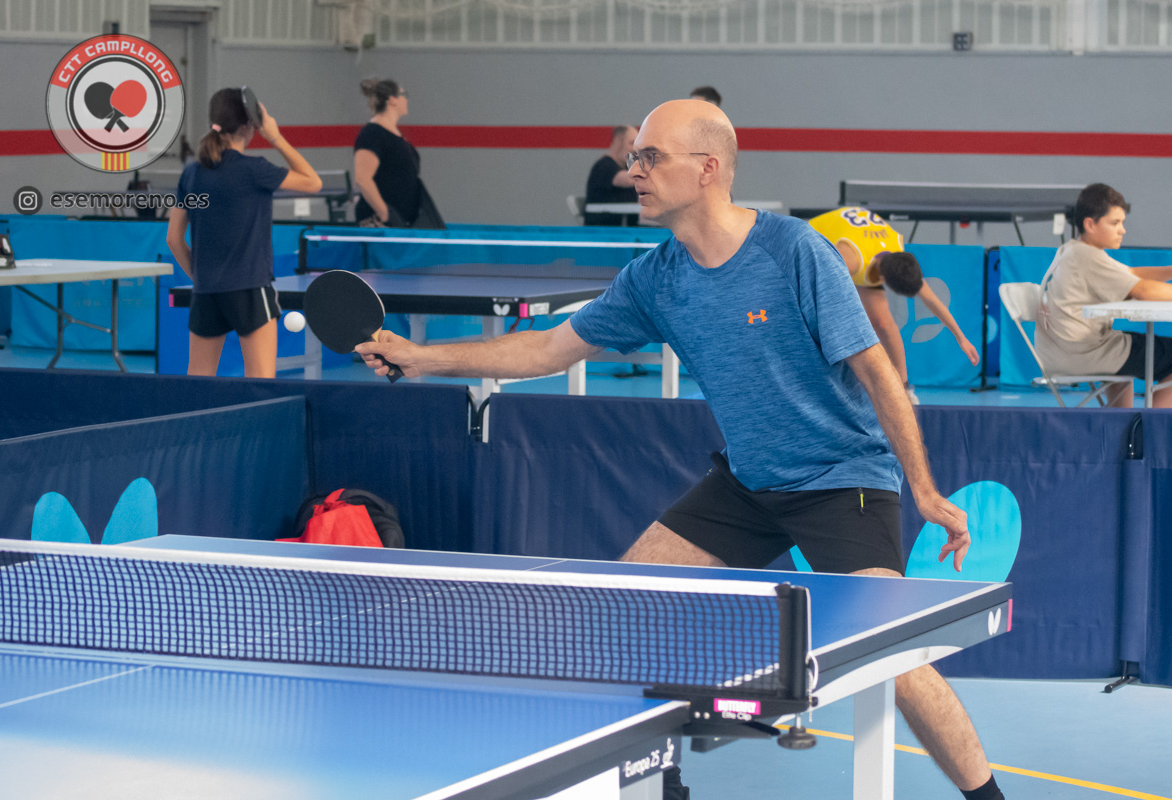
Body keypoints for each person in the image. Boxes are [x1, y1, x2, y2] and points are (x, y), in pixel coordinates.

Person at [355, 99, 1005, 800]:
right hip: (749, 483)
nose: (633, 170)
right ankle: (663, 783)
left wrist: (923, 488)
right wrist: (424, 357)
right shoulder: (655, 278)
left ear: (707, 168)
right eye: (635, 156)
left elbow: (876, 370)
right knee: (630, 605)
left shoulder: (794, 251)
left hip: (840, 478)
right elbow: (546, 348)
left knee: (895, 656)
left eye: (650, 156)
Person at [167, 88, 321, 379]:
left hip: (206, 291)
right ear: (248, 126)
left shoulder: (192, 173)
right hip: (250, 289)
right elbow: (313, 182)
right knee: (260, 381)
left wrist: (200, 279)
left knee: (198, 381)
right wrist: (275, 136)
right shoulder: (255, 169)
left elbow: (173, 239)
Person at [1035, 183, 1172, 408]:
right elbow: (1143, 291)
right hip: (1085, 353)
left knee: (1125, 346)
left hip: (1060, 352)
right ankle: (1149, 424)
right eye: (1115, 223)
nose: (1122, 230)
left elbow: (1130, 274)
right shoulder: (1087, 257)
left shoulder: (1073, 250)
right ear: (1090, 224)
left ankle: (1122, 423)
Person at [810, 206, 980, 402]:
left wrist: (961, 338)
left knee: (884, 323)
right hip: (816, 237)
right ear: (883, 279)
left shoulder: (898, 256)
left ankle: (904, 388)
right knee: (832, 317)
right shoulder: (850, 259)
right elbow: (813, 284)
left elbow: (932, 300)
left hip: (866, 247)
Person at [354, 78, 432, 228]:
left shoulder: (396, 135)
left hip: (403, 221)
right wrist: (385, 214)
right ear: (392, 100)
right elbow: (363, 178)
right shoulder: (372, 133)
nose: (406, 100)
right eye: (404, 95)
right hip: (381, 223)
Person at [584, 125, 639, 227]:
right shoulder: (604, 166)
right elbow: (629, 179)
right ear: (618, 142)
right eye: (631, 143)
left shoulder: (625, 168)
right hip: (605, 231)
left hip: (626, 230)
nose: (634, 149)